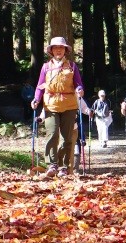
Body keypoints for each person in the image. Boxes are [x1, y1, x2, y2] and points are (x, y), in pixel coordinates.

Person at [30, 36, 85, 178]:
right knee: (52, 135)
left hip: (69, 105)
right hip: (51, 105)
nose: (58, 50)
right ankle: (52, 165)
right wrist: (36, 99)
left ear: (65, 50)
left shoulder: (72, 66)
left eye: (61, 48)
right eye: (55, 48)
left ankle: (64, 167)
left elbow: (78, 83)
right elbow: (40, 86)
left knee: (67, 138)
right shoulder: (46, 67)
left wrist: (80, 89)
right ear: (52, 51)